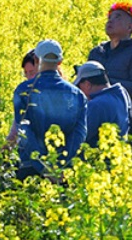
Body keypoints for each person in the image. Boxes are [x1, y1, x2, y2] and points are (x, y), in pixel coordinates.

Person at [13, 40, 87, 179]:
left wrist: (43, 167)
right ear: (60, 62)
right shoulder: (77, 94)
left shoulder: (23, 90)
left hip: (31, 168)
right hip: (64, 172)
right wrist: (61, 165)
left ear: (35, 59)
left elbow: (24, 133)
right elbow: (79, 133)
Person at [88, 2, 132, 152]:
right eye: (110, 17)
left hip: (126, 121)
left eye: (117, 17)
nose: (110, 21)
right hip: (94, 118)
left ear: (130, 27)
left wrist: (105, 83)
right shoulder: (97, 52)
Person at [74, 61, 131, 149]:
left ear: (87, 84)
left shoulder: (96, 105)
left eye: (79, 87)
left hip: (99, 157)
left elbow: (81, 137)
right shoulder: (121, 94)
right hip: (119, 154)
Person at [5, 49, 38, 147]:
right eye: (26, 73)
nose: (28, 78)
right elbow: (16, 129)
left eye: (32, 73)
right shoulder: (25, 96)